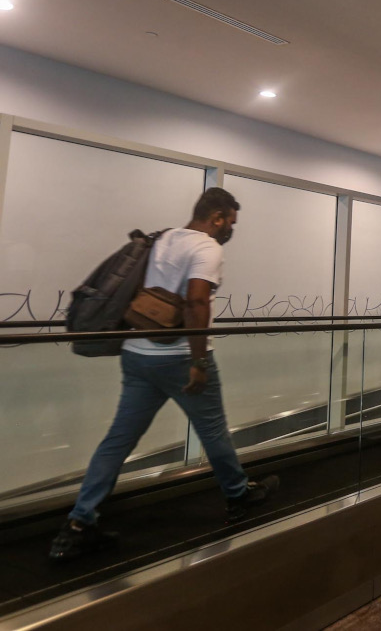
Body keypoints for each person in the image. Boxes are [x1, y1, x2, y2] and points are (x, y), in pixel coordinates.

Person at [50, 188, 278, 561]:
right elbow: (196, 300)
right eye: (230, 223)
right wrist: (198, 361)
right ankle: (239, 495)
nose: (229, 232)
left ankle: (78, 523)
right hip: (176, 357)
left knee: (117, 440)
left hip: (137, 355)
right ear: (217, 217)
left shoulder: (161, 239)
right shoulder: (207, 248)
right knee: (213, 430)